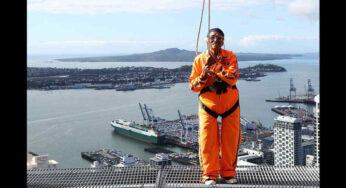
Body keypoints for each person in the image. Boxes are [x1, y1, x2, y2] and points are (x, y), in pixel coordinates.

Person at [189, 28, 241, 185]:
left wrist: (214, 66)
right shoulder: (199, 60)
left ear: (223, 41)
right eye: (212, 37)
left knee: (231, 140)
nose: (216, 40)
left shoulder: (230, 56)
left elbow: (232, 78)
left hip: (230, 102)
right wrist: (204, 75)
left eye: (219, 38)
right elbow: (193, 86)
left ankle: (228, 174)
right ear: (207, 40)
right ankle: (209, 175)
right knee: (207, 140)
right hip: (208, 104)